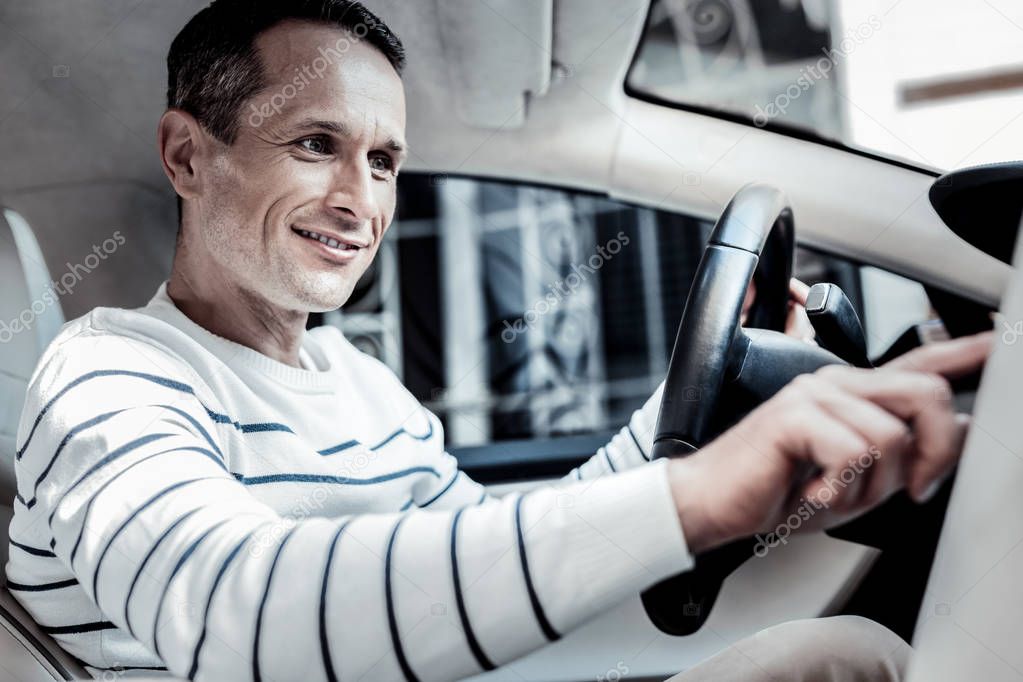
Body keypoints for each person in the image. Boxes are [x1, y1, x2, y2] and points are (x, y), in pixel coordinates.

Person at [4, 1, 990, 680]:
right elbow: (235, 614)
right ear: (188, 154)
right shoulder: (105, 375)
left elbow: (476, 568)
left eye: (385, 161)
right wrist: (694, 497)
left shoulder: (359, 382)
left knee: (849, 657)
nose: (361, 201)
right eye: (317, 145)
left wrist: (689, 413)